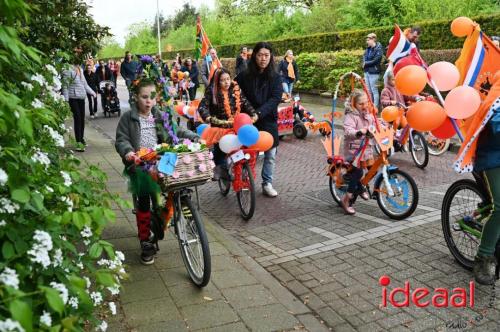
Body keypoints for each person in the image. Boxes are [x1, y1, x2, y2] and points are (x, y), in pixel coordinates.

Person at [115, 78, 199, 265]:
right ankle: (145, 239)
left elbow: (176, 132)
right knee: (144, 199)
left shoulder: (160, 115)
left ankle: (178, 214)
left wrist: (194, 137)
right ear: (136, 97)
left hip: (162, 160)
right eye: (144, 97)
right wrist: (129, 153)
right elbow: (121, 139)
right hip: (141, 163)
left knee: (178, 184)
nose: (148, 101)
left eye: (152, 97)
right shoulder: (128, 118)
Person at [236, 42, 283, 197]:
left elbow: (275, 99)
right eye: (260, 55)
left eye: (266, 55)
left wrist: (259, 113)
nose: (263, 58)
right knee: (248, 153)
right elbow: (236, 92)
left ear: (271, 57)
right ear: (254, 56)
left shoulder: (276, 77)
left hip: (268, 118)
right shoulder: (244, 75)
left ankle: (267, 183)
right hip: (248, 119)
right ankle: (244, 179)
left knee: (270, 153)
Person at [198, 68, 257, 179]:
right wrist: (209, 118)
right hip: (220, 125)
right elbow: (202, 106)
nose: (226, 82)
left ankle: (243, 167)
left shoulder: (236, 89)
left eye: (228, 79)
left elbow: (245, 103)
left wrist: (254, 114)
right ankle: (219, 168)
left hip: (237, 124)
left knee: (245, 146)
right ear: (217, 81)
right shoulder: (212, 90)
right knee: (220, 148)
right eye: (222, 80)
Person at [341, 89, 375, 215]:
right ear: (354, 104)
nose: (364, 106)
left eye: (366, 103)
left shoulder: (367, 113)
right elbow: (348, 130)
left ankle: (360, 187)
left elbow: (374, 123)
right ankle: (347, 199)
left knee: (373, 169)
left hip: (366, 147)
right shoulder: (351, 115)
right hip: (354, 149)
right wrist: (359, 132)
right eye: (361, 104)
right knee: (358, 171)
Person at [62, 55, 97, 152]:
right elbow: (65, 86)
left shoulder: (80, 69)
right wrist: (65, 100)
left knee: (82, 120)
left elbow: (84, 84)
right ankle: (78, 143)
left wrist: (93, 92)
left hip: (81, 97)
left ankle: (81, 139)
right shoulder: (67, 70)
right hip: (73, 98)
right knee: (77, 118)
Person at [363, 33, 383, 110]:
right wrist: (364, 62)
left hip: (374, 72)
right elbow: (364, 57)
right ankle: (369, 106)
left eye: (368, 40)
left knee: (374, 90)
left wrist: (366, 63)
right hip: (367, 71)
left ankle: (375, 107)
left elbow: (376, 60)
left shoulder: (378, 49)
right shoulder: (368, 49)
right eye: (366, 40)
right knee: (368, 90)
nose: (367, 41)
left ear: (373, 39)